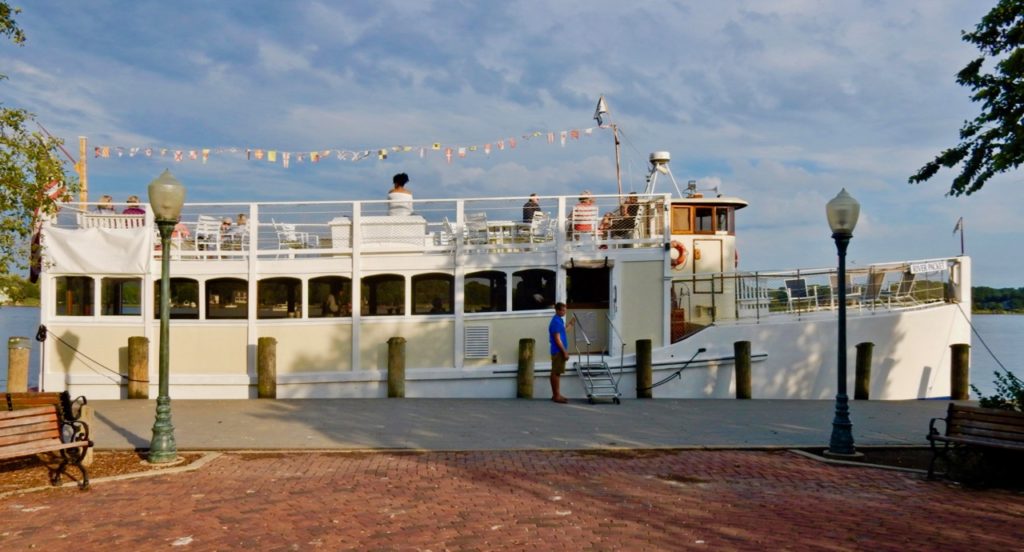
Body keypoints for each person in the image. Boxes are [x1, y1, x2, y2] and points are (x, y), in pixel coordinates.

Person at [548, 302, 574, 403]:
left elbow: (563, 332)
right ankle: (556, 396)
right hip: (558, 351)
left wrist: (571, 324)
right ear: (557, 310)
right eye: (563, 310)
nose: (564, 312)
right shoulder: (555, 322)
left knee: (557, 372)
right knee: (555, 372)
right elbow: (557, 338)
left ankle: (556, 394)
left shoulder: (559, 320)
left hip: (559, 350)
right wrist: (564, 352)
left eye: (565, 310)